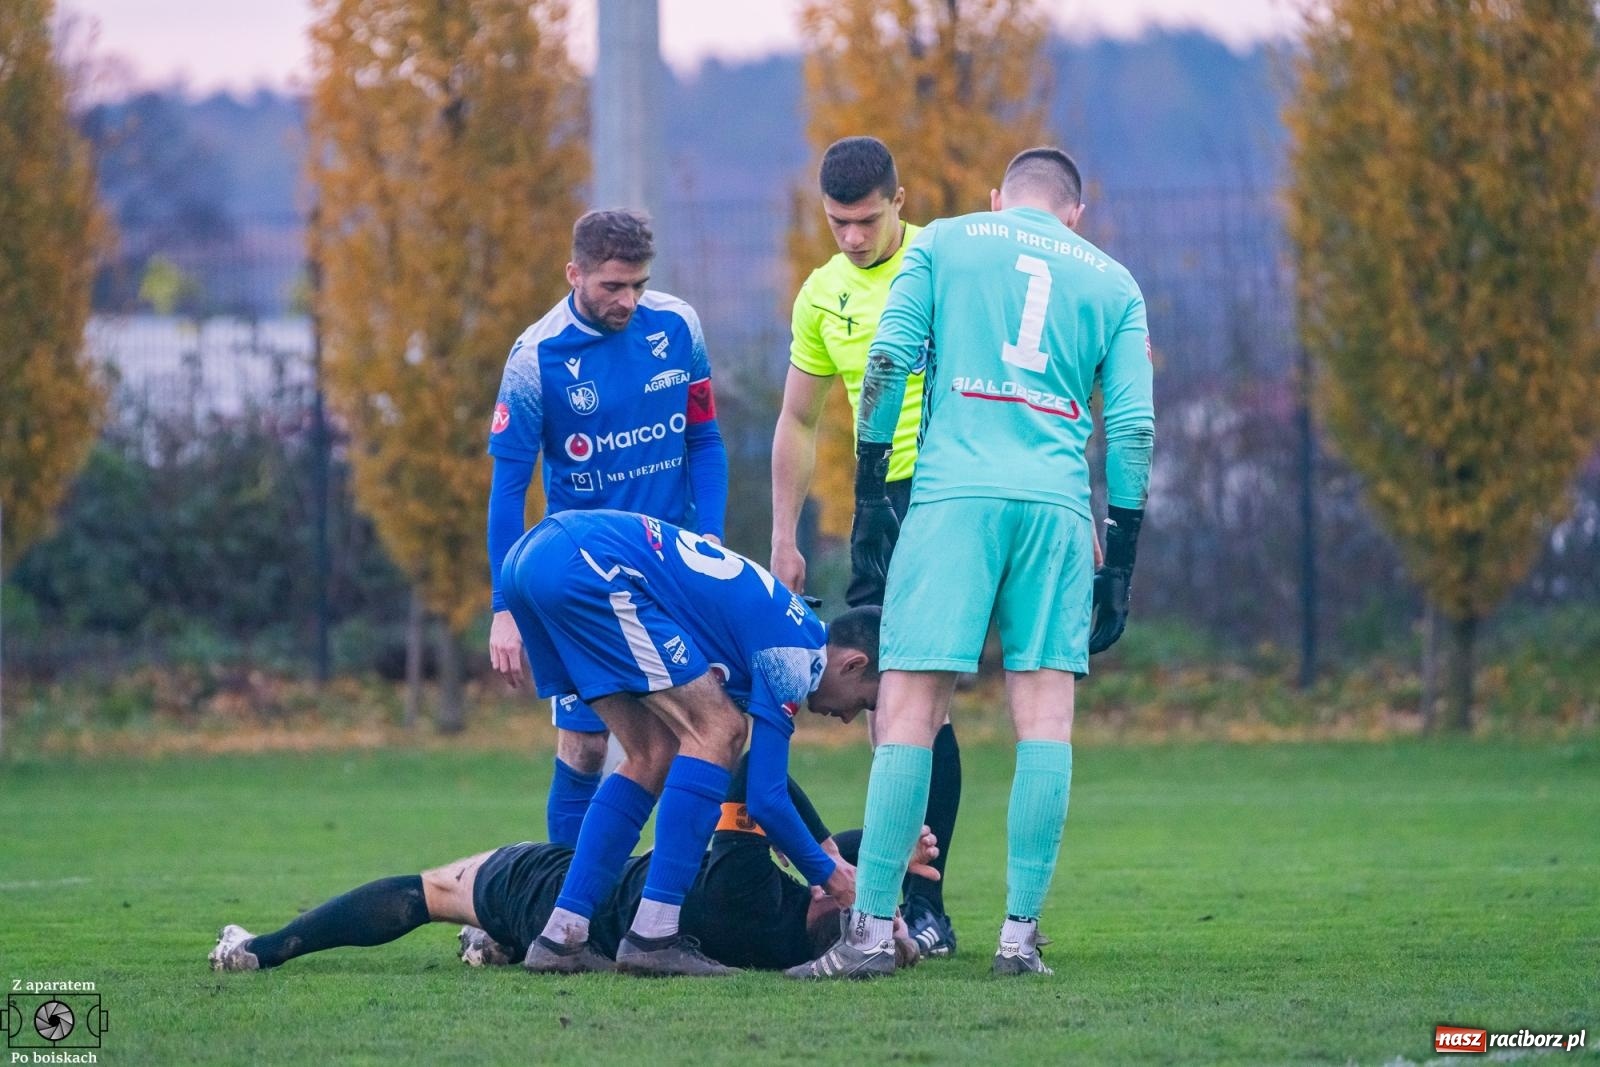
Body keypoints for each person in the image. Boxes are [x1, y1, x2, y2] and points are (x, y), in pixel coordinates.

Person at [789, 147, 1155, 980]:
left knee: (910, 713)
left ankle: (872, 933)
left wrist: (874, 494)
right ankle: (1019, 939)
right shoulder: (1112, 281)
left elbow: (887, 361)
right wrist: (1121, 553)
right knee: (1046, 722)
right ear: (1075, 216)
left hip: (953, 497)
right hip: (1058, 508)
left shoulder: (944, 241)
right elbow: (1132, 429)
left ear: (998, 198)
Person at [501, 508, 882, 976]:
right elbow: (764, 797)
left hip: (534, 558)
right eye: (864, 703)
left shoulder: (788, 626)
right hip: (587, 561)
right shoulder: (795, 656)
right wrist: (832, 875)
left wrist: (810, 846)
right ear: (853, 664)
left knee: (652, 751)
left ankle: (562, 936)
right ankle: (654, 937)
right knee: (720, 730)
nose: (847, 718)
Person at [769, 135, 963, 957]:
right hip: (876, 509)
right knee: (891, 706)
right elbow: (797, 419)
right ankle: (903, 906)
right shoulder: (821, 294)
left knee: (925, 704)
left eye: (867, 220)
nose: (852, 237)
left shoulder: (946, 266)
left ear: (901, 201)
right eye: (838, 222)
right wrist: (784, 532)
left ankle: (927, 903)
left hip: (954, 496)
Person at [208, 761, 938, 974]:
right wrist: (878, 846)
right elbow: (817, 859)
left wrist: (838, 850)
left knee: (432, 890)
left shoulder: (746, 888)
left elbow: (748, 772)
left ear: (828, 898)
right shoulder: (783, 935)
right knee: (470, 912)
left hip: (560, 893)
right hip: (601, 902)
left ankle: (259, 948)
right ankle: (495, 944)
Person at [485, 209, 728, 849]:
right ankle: (559, 898)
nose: (628, 300)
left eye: (638, 285)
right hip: (582, 582)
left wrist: (713, 549)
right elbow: (509, 493)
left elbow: (704, 442)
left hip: (671, 569)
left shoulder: (678, 326)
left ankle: (678, 892)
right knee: (586, 743)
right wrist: (505, 607)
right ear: (575, 274)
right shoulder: (536, 357)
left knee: (706, 727)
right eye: (612, 287)